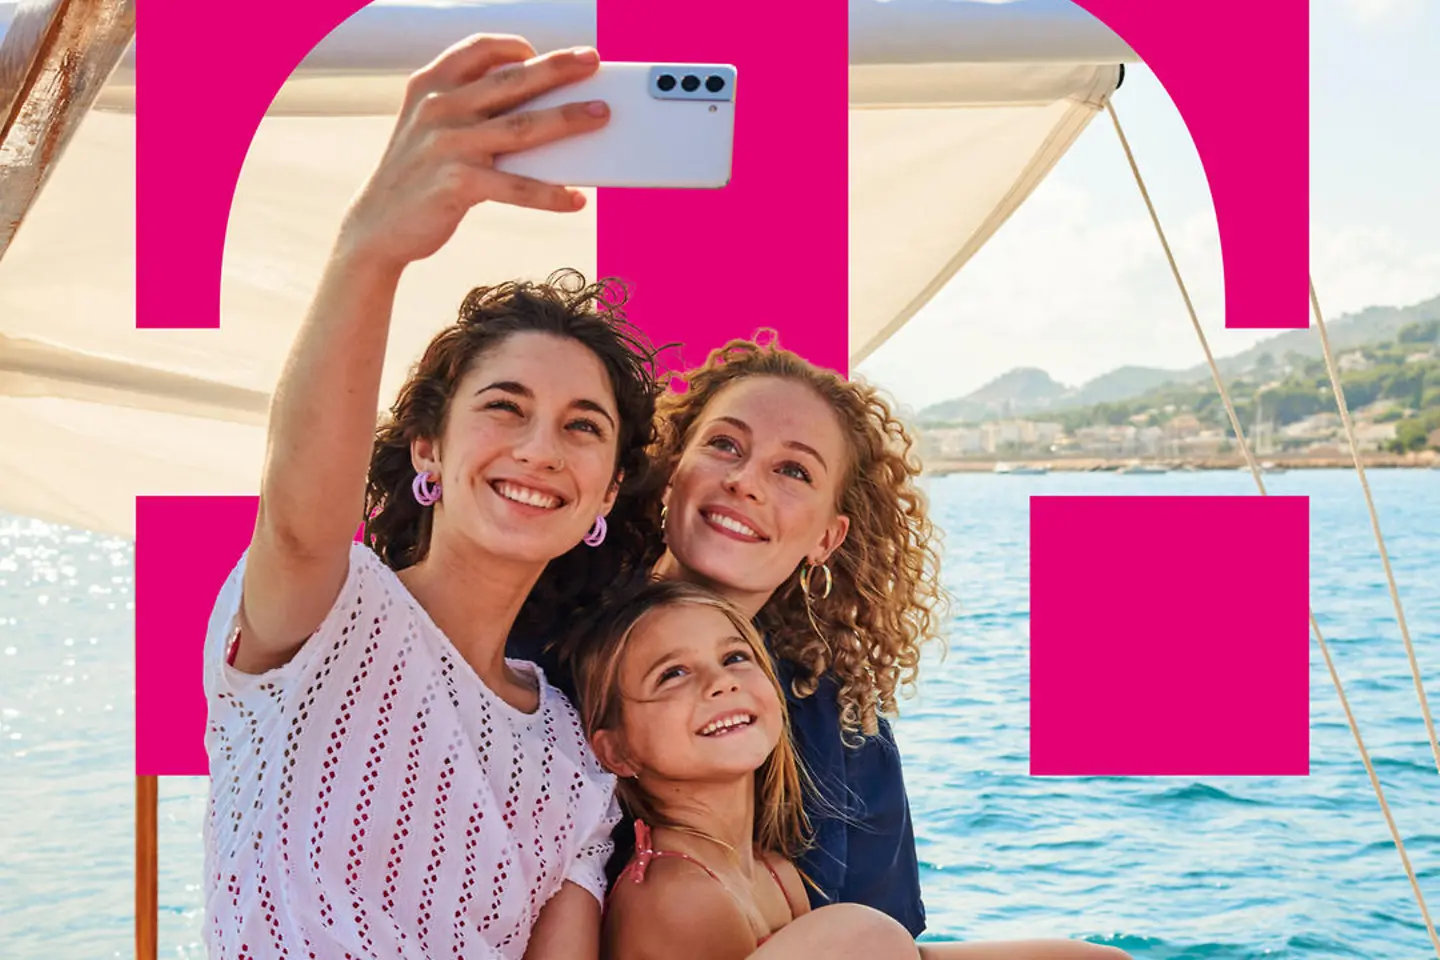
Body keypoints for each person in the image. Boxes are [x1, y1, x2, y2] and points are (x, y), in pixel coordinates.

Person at [201, 36, 661, 959]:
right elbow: (299, 517)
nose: (539, 449)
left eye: (581, 426)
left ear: (606, 490)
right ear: (429, 449)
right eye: (504, 407)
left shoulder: (576, 758)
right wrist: (371, 251)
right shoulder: (331, 608)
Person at [525, 335, 945, 933]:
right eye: (724, 445)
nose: (746, 482)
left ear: (828, 537)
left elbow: (889, 943)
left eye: (793, 471)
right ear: (672, 475)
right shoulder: (540, 652)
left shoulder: (844, 727)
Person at [573, 580, 1131, 960]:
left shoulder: (769, 868)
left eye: (735, 657)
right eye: (672, 674)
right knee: (855, 930)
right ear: (616, 752)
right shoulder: (677, 893)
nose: (720, 682)